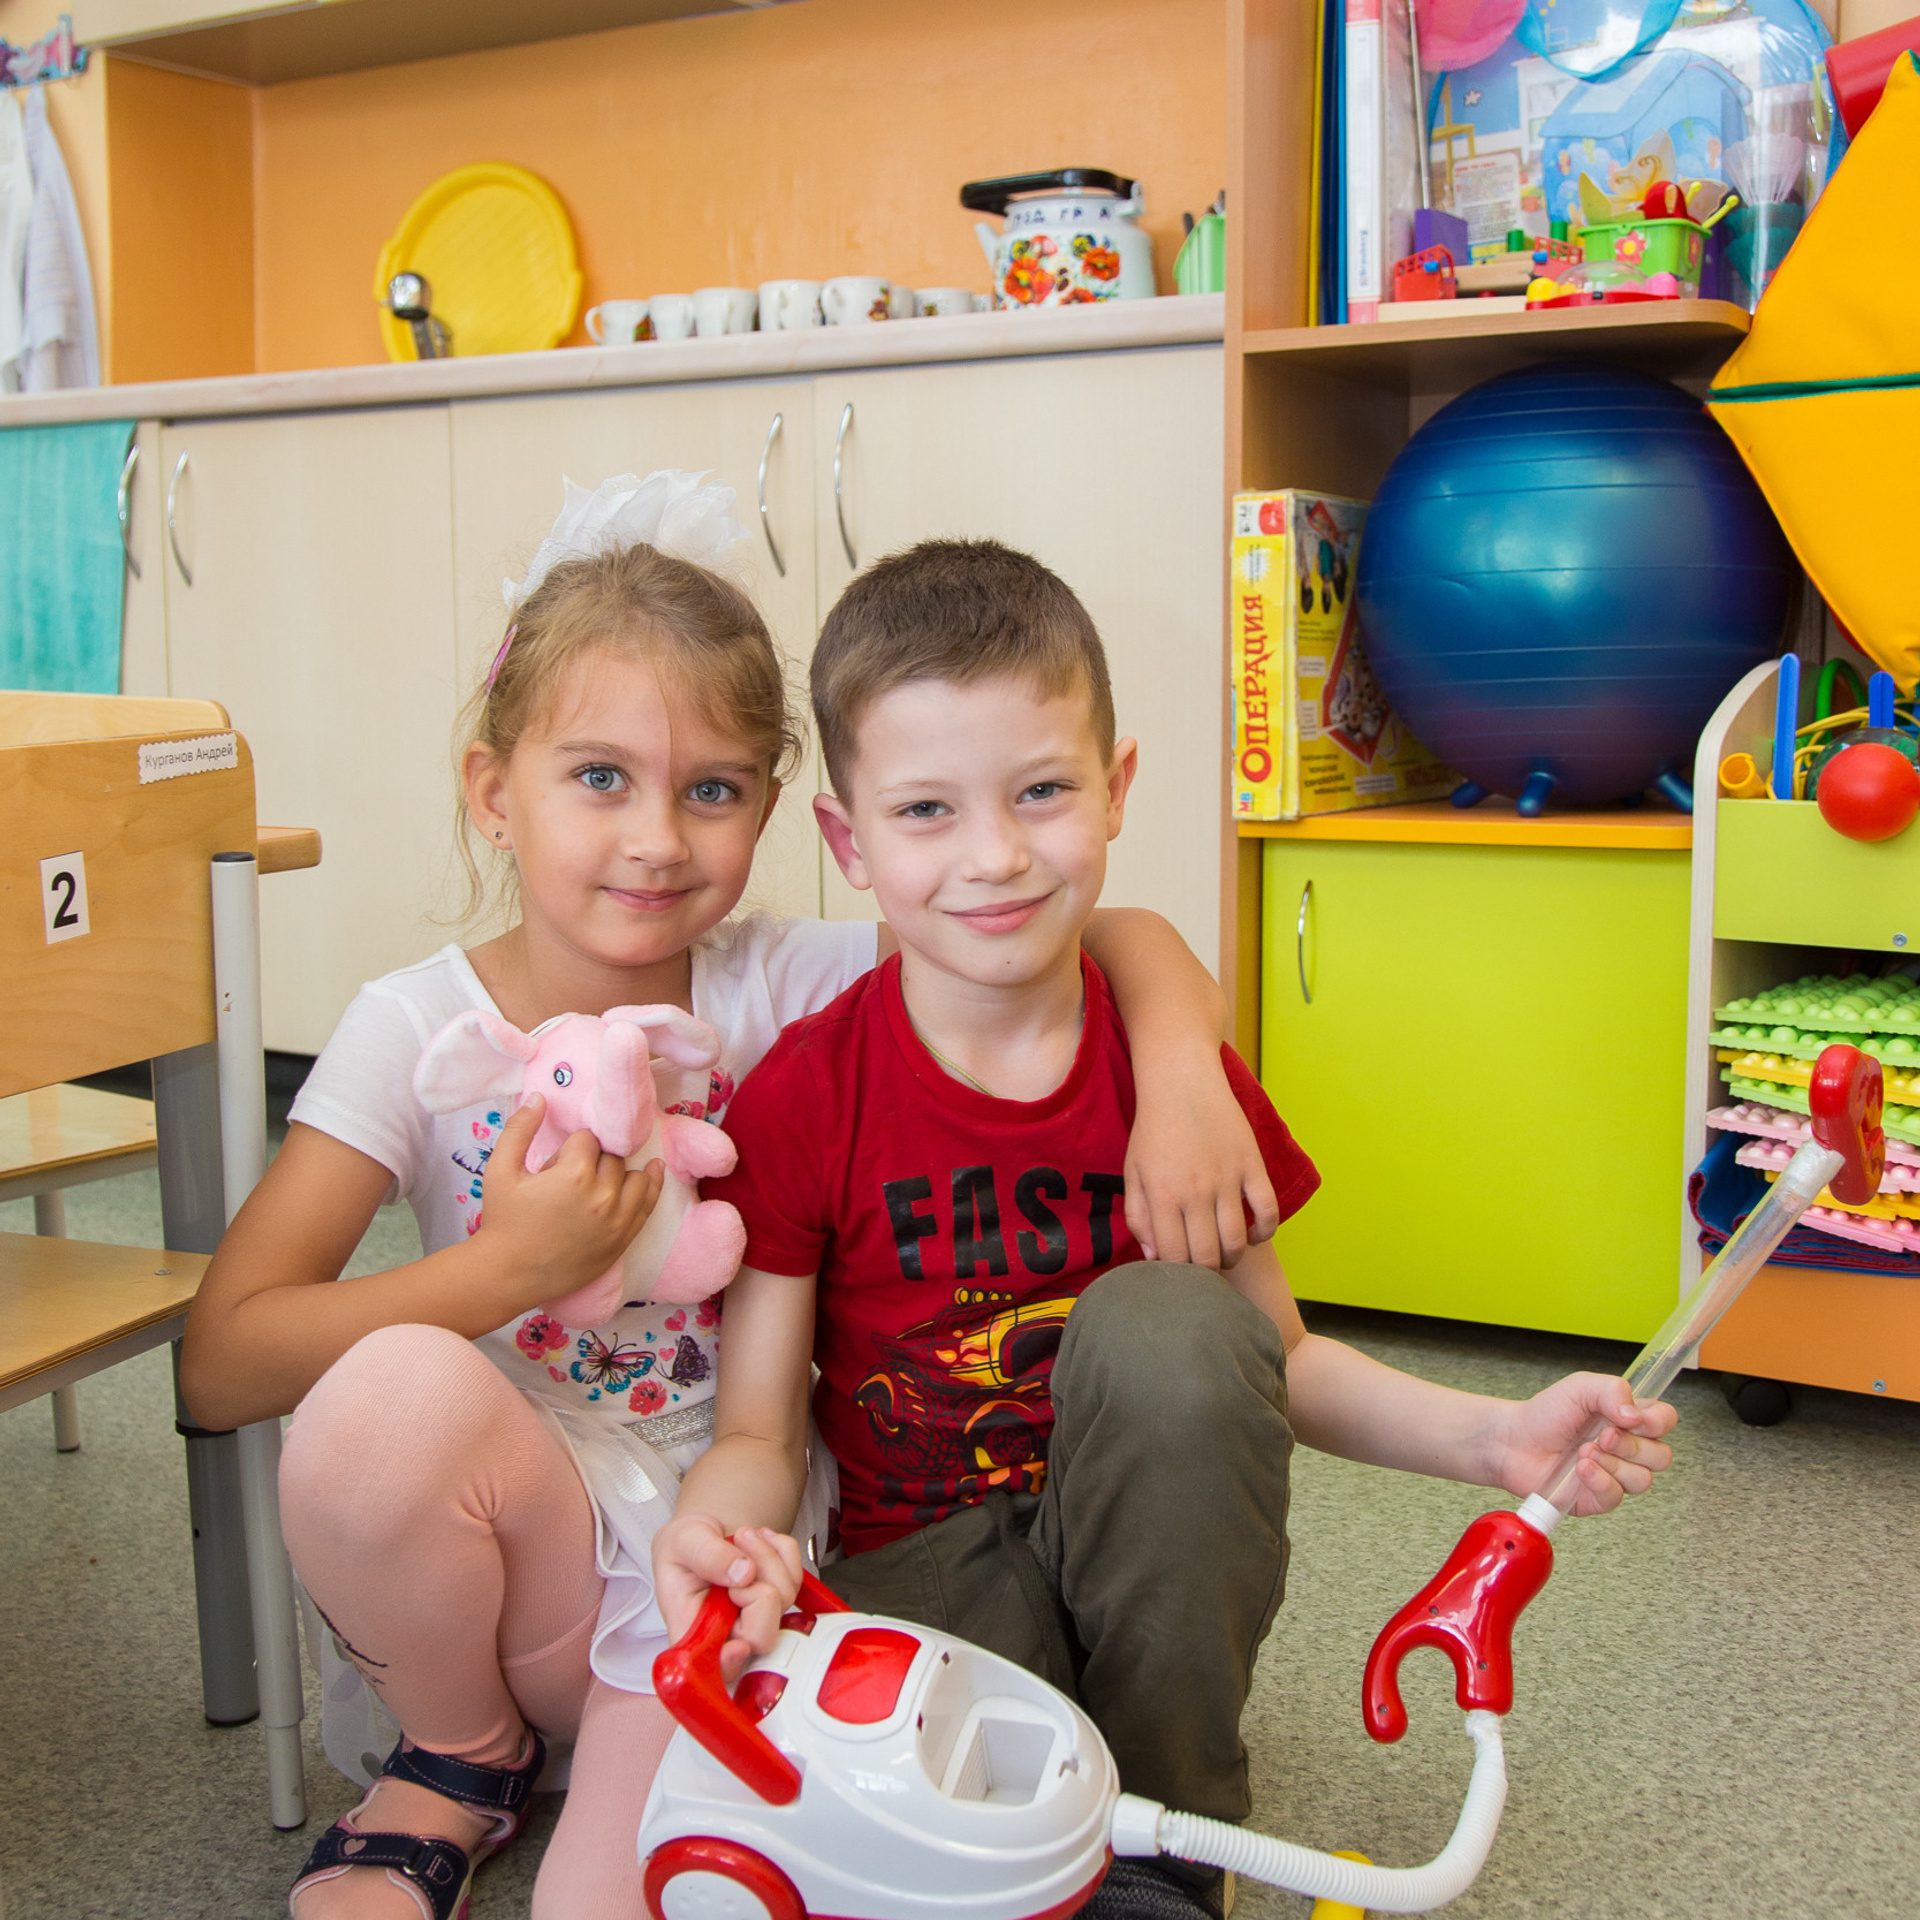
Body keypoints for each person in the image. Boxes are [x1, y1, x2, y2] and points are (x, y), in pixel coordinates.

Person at [178, 475, 1280, 1920]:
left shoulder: (791, 978)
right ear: (490, 791)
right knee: (379, 1397)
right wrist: (506, 1269)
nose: (656, 839)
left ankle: (627, 1768)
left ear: (779, 811)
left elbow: (1089, 925)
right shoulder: (409, 1025)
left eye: (711, 790)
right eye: (598, 778)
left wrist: (1186, 1073)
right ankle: (462, 1762)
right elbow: (224, 1360)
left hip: (740, 1561)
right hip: (515, 1559)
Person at [654, 538, 1679, 1920]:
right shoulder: (806, 1095)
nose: (998, 856)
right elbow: (764, 1434)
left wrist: (1496, 1439)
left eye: (1043, 792)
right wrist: (714, 1541)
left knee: (1175, 1324)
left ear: (1118, 788)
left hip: (1159, 1560)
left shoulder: (1179, 1085)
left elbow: (1279, 1363)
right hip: (928, 1567)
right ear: (850, 844)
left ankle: (1179, 1836)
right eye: (927, 812)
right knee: (984, 1836)